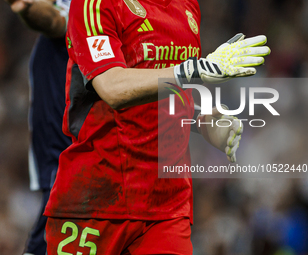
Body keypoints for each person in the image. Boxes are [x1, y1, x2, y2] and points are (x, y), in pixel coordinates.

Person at [44, 0, 271, 254]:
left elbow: (172, 89)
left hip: (166, 207)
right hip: (96, 200)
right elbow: (112, 86)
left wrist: (204, 121)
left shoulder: (187, 6)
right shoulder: (93, 4)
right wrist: (191, 71)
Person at [4, 0, 72, 254]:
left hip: (71, 171)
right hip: (73, 170)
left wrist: (23, 6)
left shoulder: (93, 9)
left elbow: (55, 20)